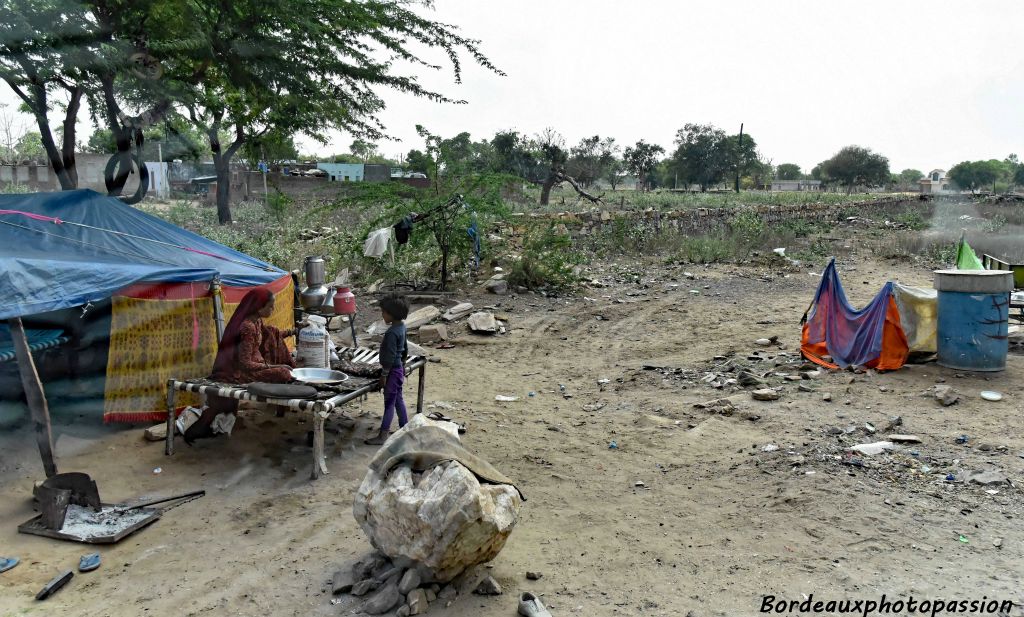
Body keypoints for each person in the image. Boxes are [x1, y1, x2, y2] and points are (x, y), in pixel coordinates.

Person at [184, 288, 298, 444]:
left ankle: (285, 382)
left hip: (255, 364)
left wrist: (292, 332)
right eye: (271, 306)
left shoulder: (257, 321)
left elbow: (269, 334)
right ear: (259, 307)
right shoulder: (247, 327)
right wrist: (273, 367)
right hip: (238, 373)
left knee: (274, 337)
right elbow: (245, 364)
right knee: (283, 373)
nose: (273, 309)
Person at [365, 294, 409, 445]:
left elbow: (389, 357)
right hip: (398, 370)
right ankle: (405, 428)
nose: (382, 315)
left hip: (391, 372)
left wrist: (384, 375)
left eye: (383, 312)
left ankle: (383, 435)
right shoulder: (402, 327)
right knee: (398, 400)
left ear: (392, 314)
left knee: (389, 403)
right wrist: (402, 365)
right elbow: (405, 350)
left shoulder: (391, 333)